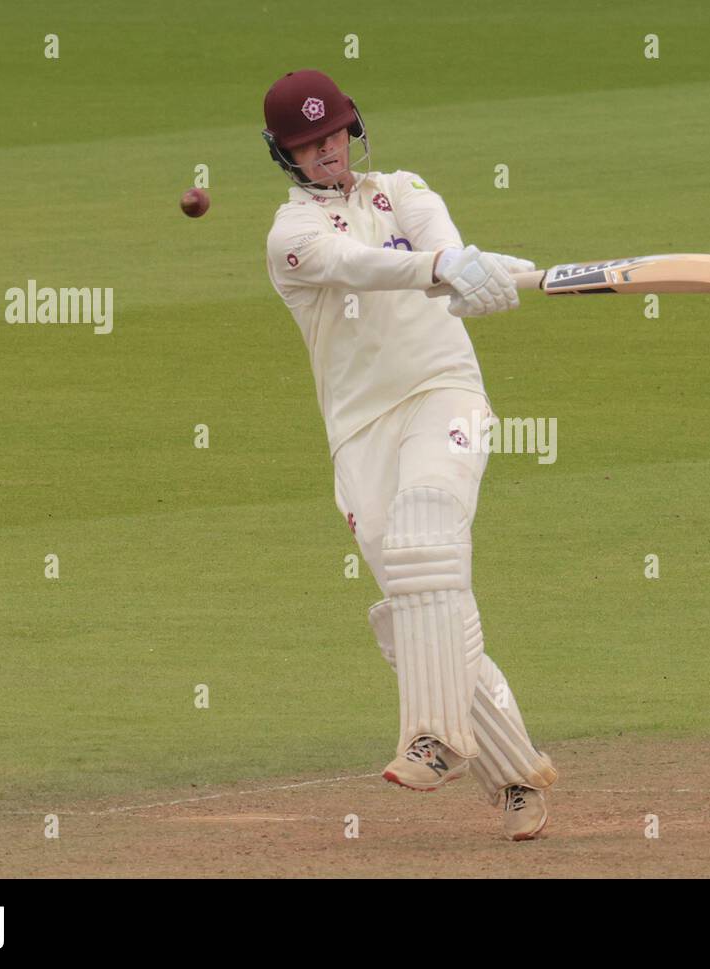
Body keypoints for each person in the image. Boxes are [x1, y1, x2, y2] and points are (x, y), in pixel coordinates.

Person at [262, 69, 558, 840]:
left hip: (443, 393)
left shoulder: (406, 190)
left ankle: (433, 740)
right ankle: (516, 772)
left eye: (332, 135)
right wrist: (438, 271)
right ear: (285, 155)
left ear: (352, 130)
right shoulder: (290, 237)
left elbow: (441, 246)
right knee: (422, 612)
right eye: (307, 144)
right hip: (361, 432)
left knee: (428, 527)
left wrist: (467, 272)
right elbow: (362, 267)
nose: (326, 152)